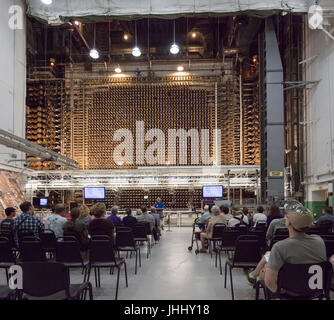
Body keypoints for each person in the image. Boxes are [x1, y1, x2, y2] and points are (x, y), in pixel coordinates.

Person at [247, 208, 327, 295]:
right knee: (268, 254)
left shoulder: (280, 246)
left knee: (266, 267)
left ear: (289, 223)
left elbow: (269, 282)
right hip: (314, 289)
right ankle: (254, 274)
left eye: (287, 217)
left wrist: (279, 292)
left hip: (289, 290)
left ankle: (254, 275)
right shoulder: (319, 241)